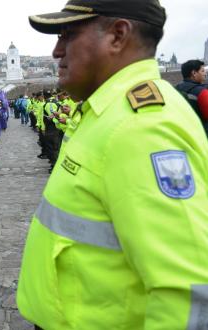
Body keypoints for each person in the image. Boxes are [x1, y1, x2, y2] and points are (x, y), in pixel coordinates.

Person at [17, 1, 208, 328]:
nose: (56, 50)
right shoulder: (110, 111)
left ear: (118, 36)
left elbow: (188, 293)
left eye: (68, 34)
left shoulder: (140, 128)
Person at [176, 59, 208, 137]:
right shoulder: (202, 92)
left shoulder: (176, 88)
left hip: (184, 133)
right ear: (194, 73)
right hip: (203, 135)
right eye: (202, 71)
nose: (205, 73)